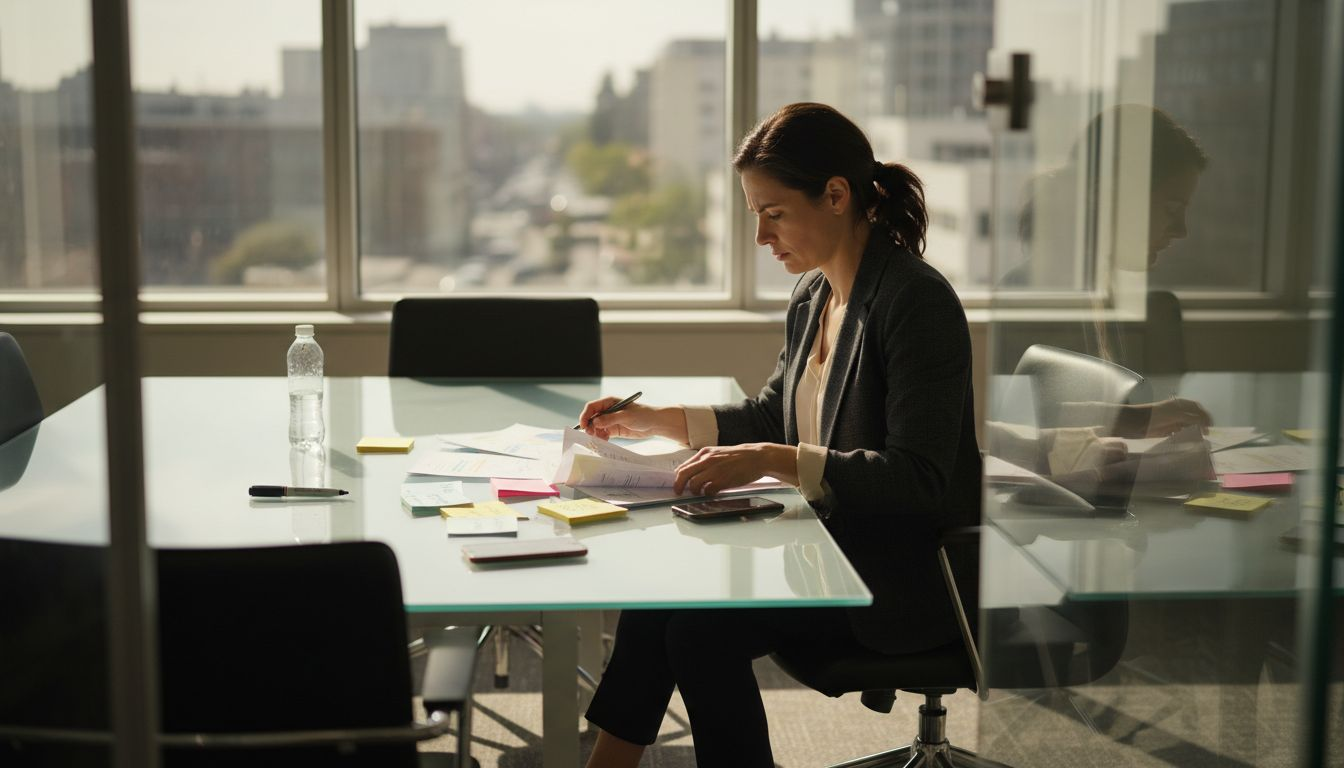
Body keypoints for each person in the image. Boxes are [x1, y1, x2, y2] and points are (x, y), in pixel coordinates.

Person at [575, 102, 982, 767]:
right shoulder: (815, 294)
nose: (762, 237)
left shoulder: (916, 302)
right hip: (818, 551)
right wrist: (654, 420)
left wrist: (778, 460)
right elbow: (771, 417)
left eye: (774, 213)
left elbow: (922, 480)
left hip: (894, 575)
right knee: (661, 600)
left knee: (699, 633)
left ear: (836, 195)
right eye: (754, 215)